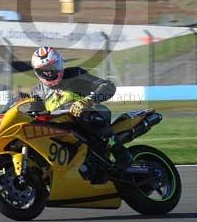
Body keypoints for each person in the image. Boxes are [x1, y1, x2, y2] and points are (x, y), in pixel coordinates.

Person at [30, 46, 129, 183]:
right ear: (38, 72)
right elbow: (32, 115)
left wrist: (87, 101)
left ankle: (121, 154)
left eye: (54, 67)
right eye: (45, 70)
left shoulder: (74, 74)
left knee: (86, 115)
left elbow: (108, 86)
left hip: (91, 115)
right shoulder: (37, 92)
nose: (50, 73)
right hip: (61, 128)